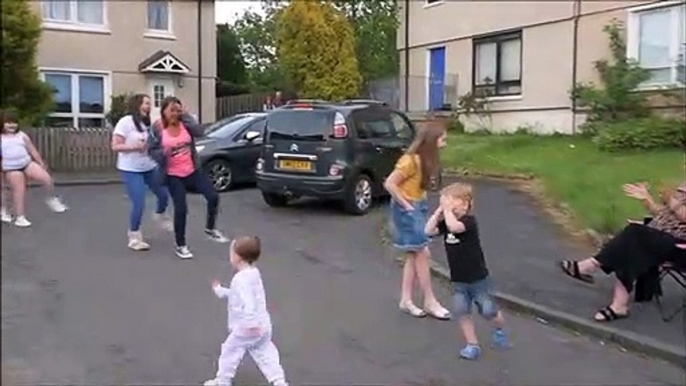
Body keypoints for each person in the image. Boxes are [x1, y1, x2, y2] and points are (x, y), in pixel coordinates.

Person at [559, 182, 686, 322]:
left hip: (680, 248)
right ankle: (618, 304)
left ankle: (591, 266)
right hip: (660, 236)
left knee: (635, 234)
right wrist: (647, 199)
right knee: (633, 240)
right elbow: (664, 215)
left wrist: (672, 202)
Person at [425, 182, 511, 360]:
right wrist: (438, 212)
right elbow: (428, 231)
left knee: (488, 311)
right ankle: (472, 345)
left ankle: (499, 328)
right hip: (459, 281)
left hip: (478, 279)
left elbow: (455, 228)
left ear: (465, 203)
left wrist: (447, 212)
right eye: (446, 201)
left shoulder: (468, 222)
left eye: (452, 201)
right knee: (462, 312)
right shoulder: (446, 222)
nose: (448, 206)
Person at [383, 121, 451, 320]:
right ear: (431, 140)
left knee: (414, 254)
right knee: (422, 252)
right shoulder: (410, 160)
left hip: (417, 205)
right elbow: (390, 183)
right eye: (442, 139)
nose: (445, 144)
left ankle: (406, 300)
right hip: (408, 209)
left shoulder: (424, 159)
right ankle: (430, 300)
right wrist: (407, 206)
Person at [148, 96, 228, 259]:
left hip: (192, 170)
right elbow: (151, 150)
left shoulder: (185, 124)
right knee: (181, 208)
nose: (174, 114)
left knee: (213, 196)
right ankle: (181, 245)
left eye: (177, 110)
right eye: (171, 110)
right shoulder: (157, 128)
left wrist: (186, 115)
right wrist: (162, 154)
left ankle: (210, 229)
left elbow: (200, 132)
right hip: (172, 175)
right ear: (163, 111)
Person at [205, 236, 288, 386]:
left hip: (247, 328)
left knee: (230, 351)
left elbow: (247, 302)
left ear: (237, 257)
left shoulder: (240, 279)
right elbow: (240, 295)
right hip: (263, 325)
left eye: (231, 253)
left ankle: (223, 380)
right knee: (265, 352)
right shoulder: (254, 273)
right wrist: (222, 291)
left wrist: (250, 323)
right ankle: (278, 380)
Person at [111, 94, 172, 250]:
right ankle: (134, 237)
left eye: (149, 104)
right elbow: (115, 146)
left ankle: (159, 215)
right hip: (131, 169)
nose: (148, 106)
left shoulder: (148, 124)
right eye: (145, 103)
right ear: (136, 105)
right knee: (139, 202)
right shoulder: (125, 122)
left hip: (149, 166)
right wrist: (135, 148)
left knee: (164, 195)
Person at [1, 109, 67, 227]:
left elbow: (32, 150)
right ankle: (20, 217)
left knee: (46, 178)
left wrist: (40, 162)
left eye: (14, 122)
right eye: (8, 122)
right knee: (19, 190)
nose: (11, 125)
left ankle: (52, 199)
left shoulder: (22, 136)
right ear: (2, 123)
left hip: (26, 163)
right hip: (11, 168)